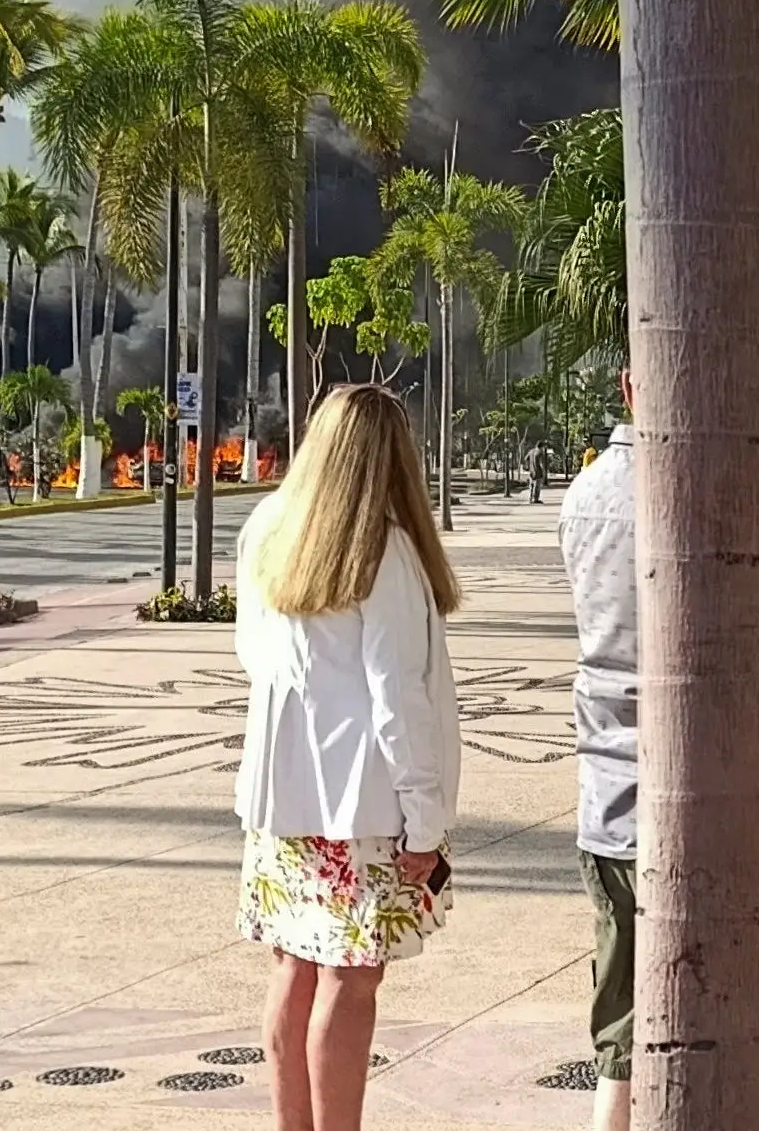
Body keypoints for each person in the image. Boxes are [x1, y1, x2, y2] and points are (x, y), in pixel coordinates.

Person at [561, 366, 759, 1131]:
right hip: (710, 819)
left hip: (607, 802)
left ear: (630, 384)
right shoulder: (730, 503)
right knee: (706, 1030)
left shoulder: (585, 497)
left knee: (625, 1036)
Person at [234, 384, 464, 1131]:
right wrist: (426, 820)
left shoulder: (267, 527)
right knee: (351, 980)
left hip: (281, 794)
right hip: (363, 801)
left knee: (293, 968)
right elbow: (399, 699)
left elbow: (253, 658)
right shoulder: (385, 549)